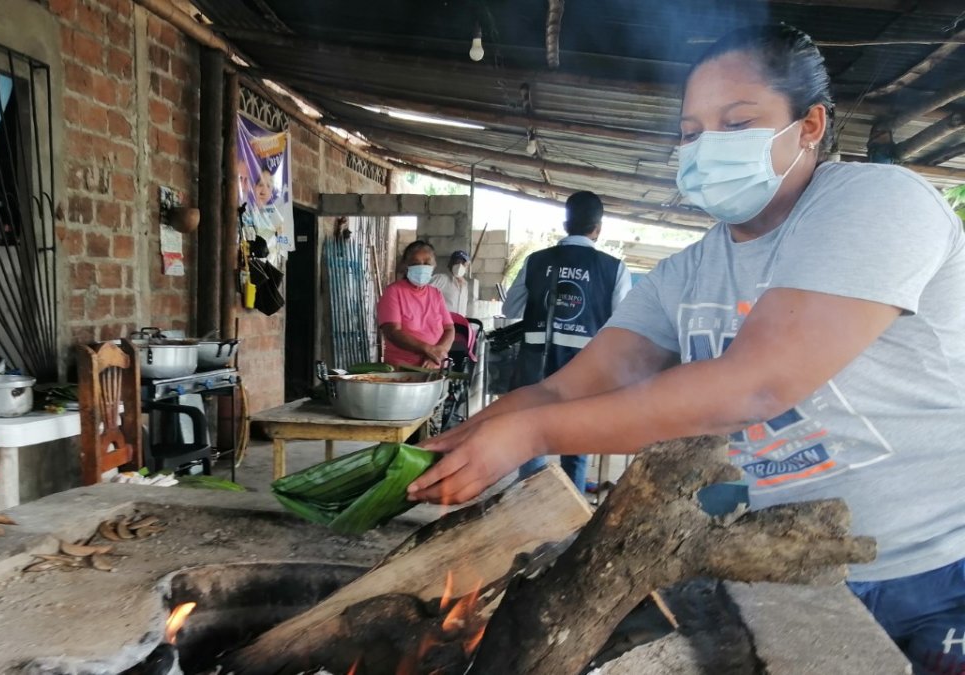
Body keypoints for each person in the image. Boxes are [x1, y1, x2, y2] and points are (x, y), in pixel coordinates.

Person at [408, 24, 965, 674]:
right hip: (781, 569)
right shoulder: (691, 271)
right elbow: (570, 386)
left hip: (929, 572)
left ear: (810, 125)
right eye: (692, 131)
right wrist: (466, 439)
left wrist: (529, 435)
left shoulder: (876, 203)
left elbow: (756, 385)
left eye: (737, 122)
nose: (707, 147)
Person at [501, 191, 632, 491]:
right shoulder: (614, 269)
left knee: (533, 442)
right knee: (577, 445)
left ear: (565, 224)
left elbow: (509, 309)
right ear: (598, 228)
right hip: (584, 374)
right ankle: (569, 520)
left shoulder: (536, 261)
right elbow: (622, 324)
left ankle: (530, 508)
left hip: (536, 369)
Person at [378, 240, 455, 369]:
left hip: (434, 367)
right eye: (415, 263)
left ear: (434, 265)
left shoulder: (435, 294)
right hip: (402, 369)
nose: (422, 267)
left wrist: (438, 353)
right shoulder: (393, 292)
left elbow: (449, 329)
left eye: (427, 263)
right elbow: (392, 332)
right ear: (406, 265)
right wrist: (428, 350)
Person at [430, 249, 472, 316]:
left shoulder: (465, 285)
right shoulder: (441, 279)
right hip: (443, 323)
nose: (460, 266)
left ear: (466, 267)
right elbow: (423, 292)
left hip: (459, 323)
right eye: (457, 262)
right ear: (451, 264)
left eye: (463, 263)